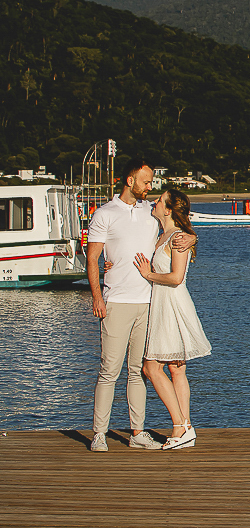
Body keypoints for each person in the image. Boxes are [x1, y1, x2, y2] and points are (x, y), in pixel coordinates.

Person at [87, 160, 194, 452]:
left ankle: (137, 432)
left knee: (138, 371)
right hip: (116, 301)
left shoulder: (151, 211)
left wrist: (192, 236)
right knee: (109, 371)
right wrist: (97, 297)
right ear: (130, 180)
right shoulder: (104, 214)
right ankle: (99, 434)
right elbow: (93, 258)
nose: (150, 187)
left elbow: (178, 223)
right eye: (146, 182)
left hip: (148, 303)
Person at [134, 188, 211, 450]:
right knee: (176, 369)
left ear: (168, 210)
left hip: (172, 303)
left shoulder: (178, 237)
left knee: (151, 368)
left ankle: (180, 425)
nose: (154, 202)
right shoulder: (164, 235)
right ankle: (186, 428)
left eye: (159, 200)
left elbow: (176, 277)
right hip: (162, 302)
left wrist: (148, 275)